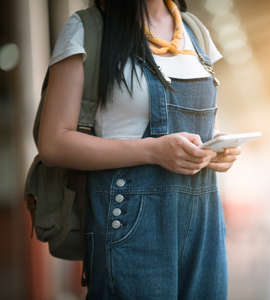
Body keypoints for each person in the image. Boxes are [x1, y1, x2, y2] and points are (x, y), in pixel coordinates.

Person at [37, 0, 240, 298]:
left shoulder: (195, 31)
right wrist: (153, 151)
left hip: (205, 226)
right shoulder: (88, 29)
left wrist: (217, 149)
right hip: (130, 224)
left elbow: (207, 127)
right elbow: (53, 143)